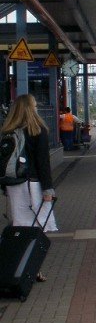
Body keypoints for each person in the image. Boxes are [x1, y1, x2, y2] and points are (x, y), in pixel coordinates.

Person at [2, 95, 57, 282]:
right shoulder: (37, 130)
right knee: (37, 226)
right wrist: (48, 189)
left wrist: (5, 187)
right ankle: (30, 269)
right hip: (32, 185)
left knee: (19, 226)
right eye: (34, 105)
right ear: (30, 108)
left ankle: (17, 268)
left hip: (14, 186)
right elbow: (43, 163)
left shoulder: (8, 131)